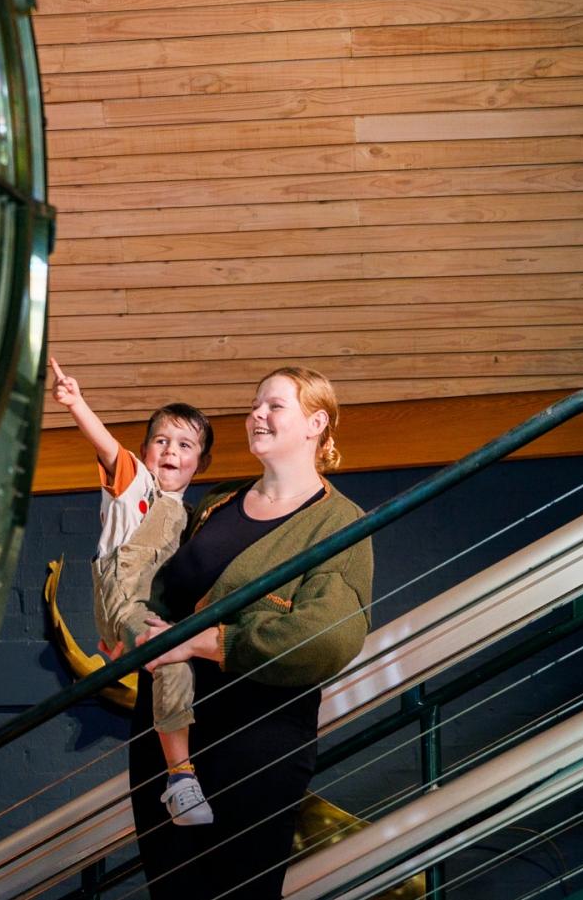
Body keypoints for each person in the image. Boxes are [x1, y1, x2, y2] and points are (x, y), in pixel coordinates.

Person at [127, 366, 374, 900]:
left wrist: (202, 640)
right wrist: (132, 635)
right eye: (255, 404)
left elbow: (325, 639)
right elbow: (164, 594)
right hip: (168, 736)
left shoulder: (339, 524)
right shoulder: (217, 502)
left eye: (274, 405)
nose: (257, 414)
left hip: (256, 740)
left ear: (316, 424)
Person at [50, 355, 217, 826]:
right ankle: (180, 778)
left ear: (199, 462)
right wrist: (77, 404)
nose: (171, 451)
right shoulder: (135, 487)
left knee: (186, 650)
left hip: (146, 610)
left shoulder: (188, 515)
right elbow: (107, 448)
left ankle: (132, 653)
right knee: (172, 653)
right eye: (161, 441)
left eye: (185, 445)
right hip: (123, 599)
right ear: (144, 451)